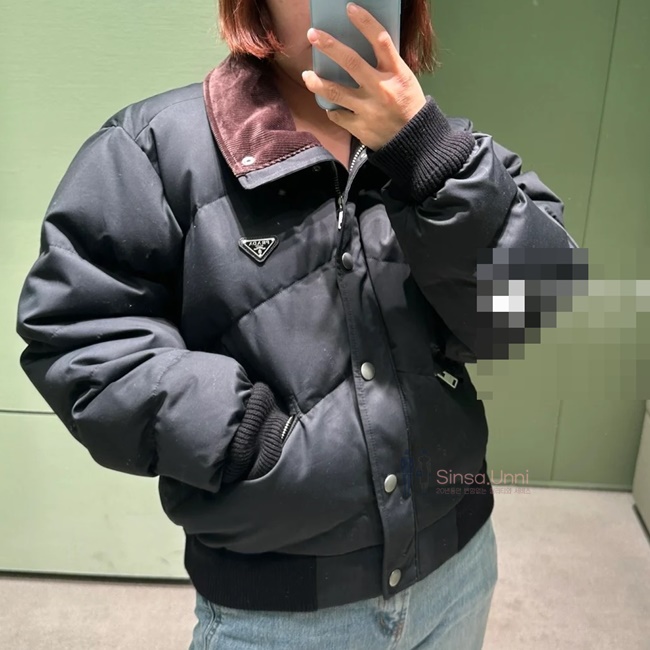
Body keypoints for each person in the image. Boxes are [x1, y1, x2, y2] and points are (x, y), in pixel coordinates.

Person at [15, 1, 584, 648]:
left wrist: (427, 156)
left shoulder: (446, 148)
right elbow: (80, 334)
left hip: (458, 566)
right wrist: (247, 438)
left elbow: (535, 297)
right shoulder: (153, 149)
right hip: (280, 608)